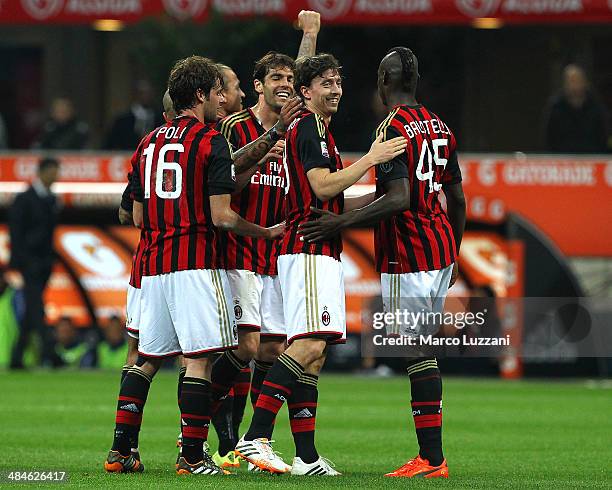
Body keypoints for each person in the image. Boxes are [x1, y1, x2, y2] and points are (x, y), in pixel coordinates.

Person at [104, 55, 284, 476]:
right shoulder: (210, 141)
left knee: (146, 359)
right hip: (195, 263)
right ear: (201, 94)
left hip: (153, 266)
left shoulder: (147, 142)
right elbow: (222, 216)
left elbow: (135, 216)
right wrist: (265, 232)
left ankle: (121, 451)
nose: (223, 99)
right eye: (218, 91)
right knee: (199, 360)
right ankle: (191, 455)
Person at [234, 53, 406, 475]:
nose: (335, 90)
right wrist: (371, 158)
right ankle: (254, 437)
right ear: (306, 92)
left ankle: (306, 457)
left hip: (316, 246)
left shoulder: (318, 130)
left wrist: (382, 199)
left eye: (338, 82)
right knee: (308, 344)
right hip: (308, 247)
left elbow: (330, 196)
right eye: (326, 83)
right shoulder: (309, 125)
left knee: (315, 354)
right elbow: (321, 184)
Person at [299, 47, 466, 479]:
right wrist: (454, 251)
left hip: (408, 251)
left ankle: (431, 459)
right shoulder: (441, 126)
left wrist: (341, 221)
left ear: (382, 81)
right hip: (440, 247)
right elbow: (457, 196)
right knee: (420, 346)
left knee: (415, 348)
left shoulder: (392, 128)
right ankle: (432, 457)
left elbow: (398, 198)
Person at [210, 11, 321, 470]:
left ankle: (255, 445)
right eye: (275, 77)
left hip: (278, 254)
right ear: (257, 85)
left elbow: (306, 78)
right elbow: (224, 183)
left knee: (273, 351)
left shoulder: (295, 126)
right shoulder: (237, 127)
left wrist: (310, 36)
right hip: (239, 251)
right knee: (245, 349)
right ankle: (197, 428)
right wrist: (263, 152)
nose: (284, 83)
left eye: (289, 78)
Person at [9, 157, 61, 369]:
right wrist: (20, 262)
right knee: (37, 309)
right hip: (29, 263)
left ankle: (16, 358)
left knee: (32, 311)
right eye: (54, 171)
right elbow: (16, 233)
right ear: (42, 172)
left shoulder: (51, 199)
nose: (57, 176)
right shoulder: (24, 199)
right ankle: (51, 353)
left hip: (44, 264)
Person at [544, 64, 609, 153]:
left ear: (585, 82)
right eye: (571, 81)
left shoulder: (596, 106)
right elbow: (549, 137)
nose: (575, 86)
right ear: (565, 84)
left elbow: (604, 134)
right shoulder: (556, 106)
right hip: (563, 158)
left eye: (578, 81)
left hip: (592, 157)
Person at [104, 80, 163, 150]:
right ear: (135, 94)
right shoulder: (122, 122)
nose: (146, 96)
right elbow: (109, 146)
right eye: (142, 93)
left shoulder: (160, 120)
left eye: (149, 93)